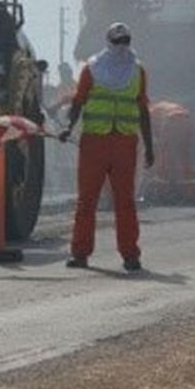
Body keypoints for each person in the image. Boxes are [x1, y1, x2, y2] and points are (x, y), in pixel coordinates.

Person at [61, 21, 155, 272]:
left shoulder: (137, 71)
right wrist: (68, 128)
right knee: (87, 201)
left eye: (125, 41)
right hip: (95, 142)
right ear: (109, 42)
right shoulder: (91, 69)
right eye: (118, 42)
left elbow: (143, 110)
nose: (121, 47)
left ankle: (130, 255)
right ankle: (80, 253)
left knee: (125, 202)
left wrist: (149, 146)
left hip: (124, 143)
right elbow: (78, 103)